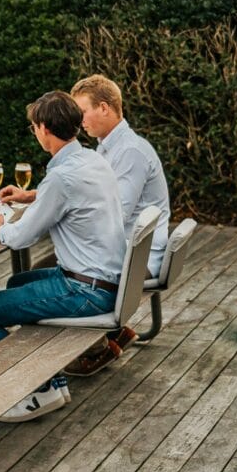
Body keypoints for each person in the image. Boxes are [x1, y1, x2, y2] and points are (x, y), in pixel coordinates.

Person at [0, 91, 127, 422]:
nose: (35, 133)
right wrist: (33, 195)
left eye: (34, 127)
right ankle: (52, 379)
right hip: (106, 282)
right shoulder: (93, 160)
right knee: (18, 282)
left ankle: (37, 389)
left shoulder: (61, 178)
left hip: (85, 293)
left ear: (44, 128)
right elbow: (71, 196)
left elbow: (19, 238)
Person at [61, 74, 172, 376]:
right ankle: (114, 333)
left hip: (140, 256)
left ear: (105, 108)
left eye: (81, 111)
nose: (77, 120)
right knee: (58, 264)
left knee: (66, 273)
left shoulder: (129, 152)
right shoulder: (109, 147)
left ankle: (97, 346)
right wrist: (35, 195)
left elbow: (115, 213)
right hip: (129, 248)